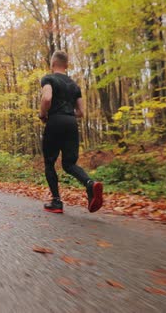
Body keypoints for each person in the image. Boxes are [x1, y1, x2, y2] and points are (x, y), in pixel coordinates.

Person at [38, 50, 103, 214]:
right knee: (69, 164)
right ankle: (90, 184)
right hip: (71, 123)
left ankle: (56, 202)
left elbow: (47, 98)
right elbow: (81, 111)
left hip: (55, 121)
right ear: (66, 65)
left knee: (49, 162)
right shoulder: (75, 85)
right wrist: (68, 115)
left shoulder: (49, 78)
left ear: (53, 63)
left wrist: (42, 114)